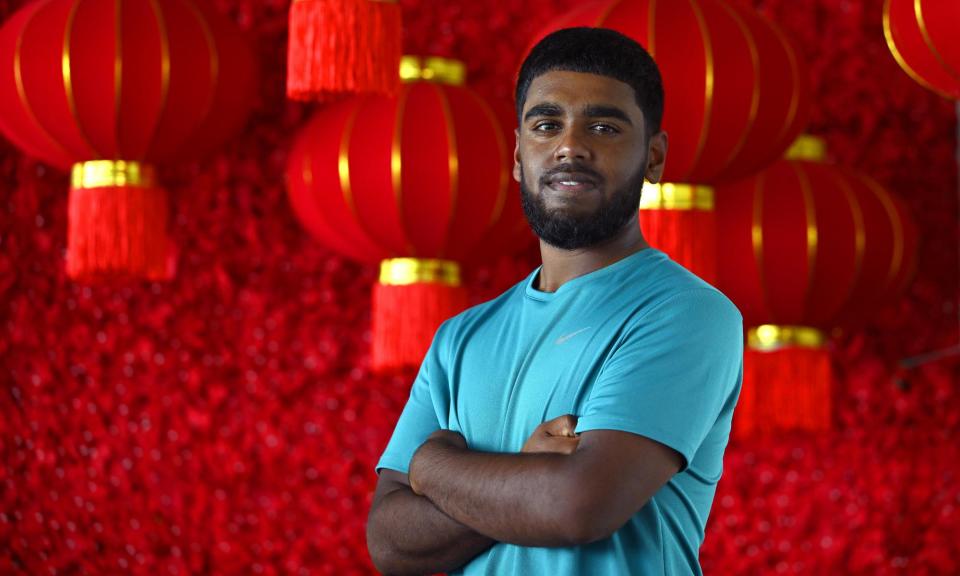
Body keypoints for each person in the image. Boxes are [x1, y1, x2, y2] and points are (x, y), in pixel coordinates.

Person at [366, 27, 743, 576]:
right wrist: (523, 471)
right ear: (519, 156)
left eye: (604, 126)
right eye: (547, 125)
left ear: (654, 158)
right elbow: (391, 545)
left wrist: (433, 465)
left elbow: (576, 506)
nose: (570, 145)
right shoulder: (460, 339)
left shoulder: (685, 313)